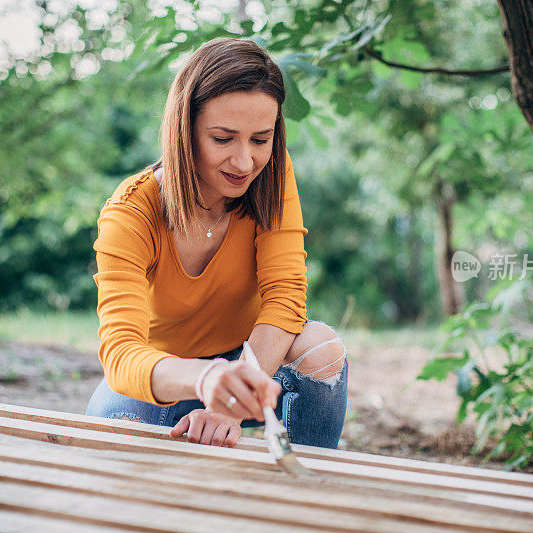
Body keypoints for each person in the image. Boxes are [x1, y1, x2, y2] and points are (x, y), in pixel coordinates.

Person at [85, 37, 348, 449]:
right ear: (184, 131)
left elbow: (285, 297)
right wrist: (207, 380)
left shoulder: (273, 178)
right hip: (168, 375)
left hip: (255, 365)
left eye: (260, 140)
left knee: (321, 349)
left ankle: (300, 492)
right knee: (111, 433)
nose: (245, 163)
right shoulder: (130, 213)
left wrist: (228, 401)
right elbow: (121, 353)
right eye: (223, 139)